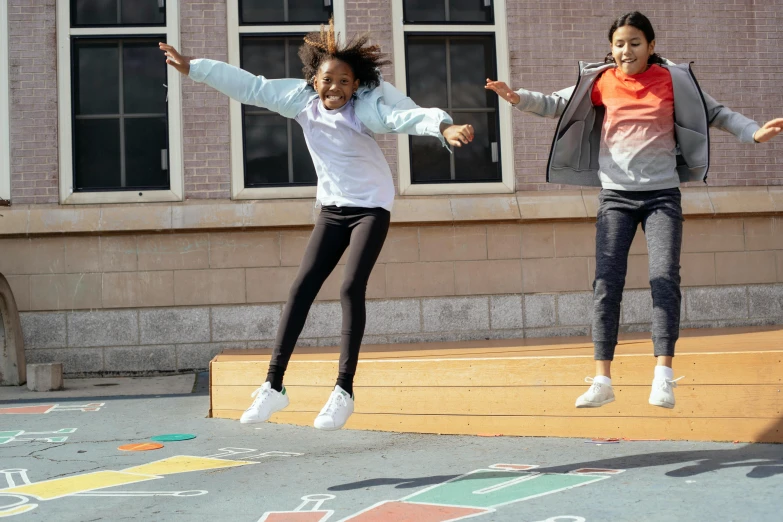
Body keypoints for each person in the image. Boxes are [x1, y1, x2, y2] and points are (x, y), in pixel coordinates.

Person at [161, 20, 474, 430]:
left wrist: (443, 127)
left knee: (349, 287)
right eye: (328, 80)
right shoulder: (299, 100)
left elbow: (405, 118)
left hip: (370, 208)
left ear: (355, 84)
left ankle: (343, 391)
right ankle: (273, 386)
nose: (335, 89)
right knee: (301, 288)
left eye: (345, 82)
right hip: (331, 209)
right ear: (314, 80)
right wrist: (195, 68)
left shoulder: (366, 109)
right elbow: (250, 86)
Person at [486, 11, 782, 410]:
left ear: (651, 46)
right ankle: (603, 379)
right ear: (611, 49)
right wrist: (518, 97)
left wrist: (753, 131)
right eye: (620, 44)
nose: (627, 50)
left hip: (662, 196)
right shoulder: (601, 80)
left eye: (635, 43)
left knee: (663, 278)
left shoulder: (675, 79)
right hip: (615, 198)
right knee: (606, 285)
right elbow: (558, 103)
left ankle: (663, 376)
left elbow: (717, 113)